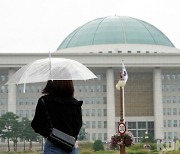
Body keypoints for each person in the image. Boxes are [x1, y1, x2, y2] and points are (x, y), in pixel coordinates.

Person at [31, 80, 83, 154]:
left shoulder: (45, 101)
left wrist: (50, 134)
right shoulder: (75, 104)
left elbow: (36, 125)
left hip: (53, 145)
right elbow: (78, 126)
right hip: (70, 146)